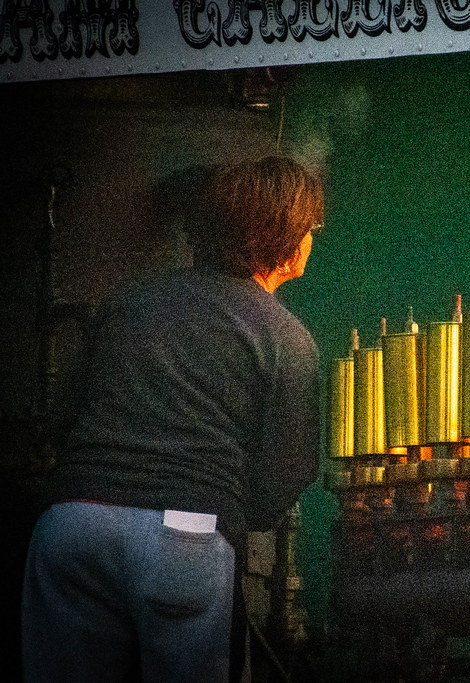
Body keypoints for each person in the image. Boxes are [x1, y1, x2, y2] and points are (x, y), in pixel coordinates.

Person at [21, 156, 324, 682]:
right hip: (186, 536)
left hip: (70, 526)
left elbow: (58, 419)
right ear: (290, 242)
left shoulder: (128, 301)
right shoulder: (288, 339)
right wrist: (228, 510)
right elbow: (290, 470)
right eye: (312, 229)